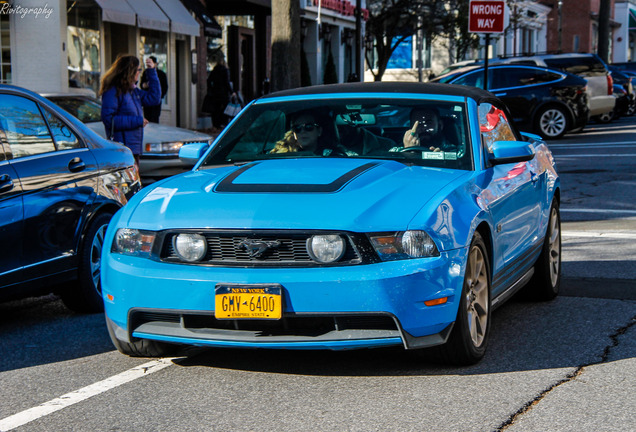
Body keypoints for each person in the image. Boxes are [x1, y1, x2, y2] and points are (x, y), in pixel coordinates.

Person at [100, 54, 161, 167]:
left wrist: (151, 71)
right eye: (138, 70)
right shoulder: (113, 91)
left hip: (133, 149)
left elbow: (154, 98)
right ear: (130, 71)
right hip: (122, 149)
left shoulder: (134, 92)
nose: (139, 72)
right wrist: (137, 121)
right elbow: (108, 119)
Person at [205, 52, 234, 130]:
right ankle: (223, 124)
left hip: (215, 94)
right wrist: (232, 92)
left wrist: (211, 89)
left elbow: (209, 81)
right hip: (224, 94)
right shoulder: (225, 71)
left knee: (216, 110)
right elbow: (227, 83)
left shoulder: (214, 71)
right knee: (225, 109)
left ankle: (216, 125)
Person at [140, 55, 168, 123]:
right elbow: (142, 85)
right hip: (147, 100)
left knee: (155, 117)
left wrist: (159, 96)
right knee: (147, 117)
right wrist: (145, 85)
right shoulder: (145, 73)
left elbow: (165, 87)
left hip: (156, 101)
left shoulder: (161, 74)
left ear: (156, 64)